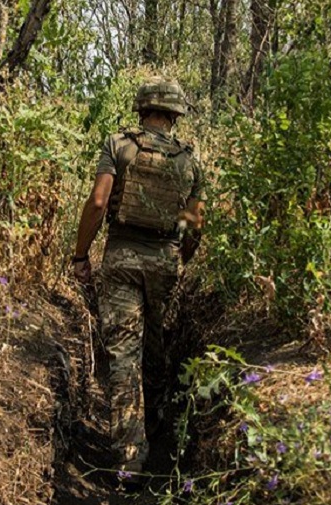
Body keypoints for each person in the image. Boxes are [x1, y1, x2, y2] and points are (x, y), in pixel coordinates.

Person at [70, 77, 205, 479]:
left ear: (142, 109)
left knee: (124, 353)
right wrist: (181, 258)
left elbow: (97, 202)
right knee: (157, 341)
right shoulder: (190, 161)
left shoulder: (119, 145)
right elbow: (194, 224)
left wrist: (80, 255)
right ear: (175, 115)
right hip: (165, 261)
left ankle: (131, 455)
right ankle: (158, 423)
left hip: (122, 258)